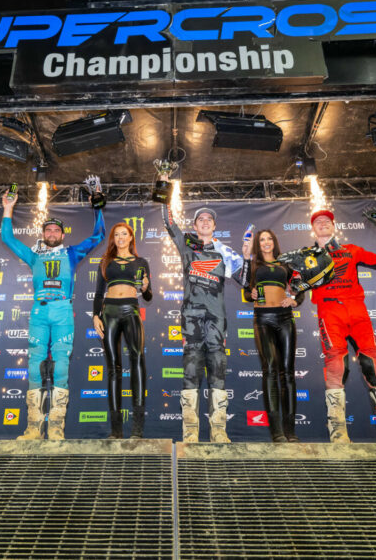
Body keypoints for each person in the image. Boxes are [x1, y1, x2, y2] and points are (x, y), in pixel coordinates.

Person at [1, 187, 105, 440]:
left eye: (56, 230)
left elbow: (98, 235)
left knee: (60, 367)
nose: (51, 233)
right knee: (35, 367)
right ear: (43, 234)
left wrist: (98, 206)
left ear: (62, 234)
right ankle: (33, 428)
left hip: (62, 311)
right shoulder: (33, 253)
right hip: (39, 312)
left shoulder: (72, 252)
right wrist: (7, 209)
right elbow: (8, 240)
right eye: (47, 230)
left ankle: (57, 427)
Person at [309, 209, 376, 445]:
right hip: (330, 312)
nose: (323, 224)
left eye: (327, 221)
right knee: (337, 366)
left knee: (373, 364)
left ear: (333, 227)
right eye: (318, 222)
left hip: (358, 311)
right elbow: (295, 286)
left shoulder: (351, 250)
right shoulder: (307, 255)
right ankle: (338, 433)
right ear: (313, 229)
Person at [159, 173, 247, 443]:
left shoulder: (225, 252)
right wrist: (166, 186)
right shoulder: (187, 245)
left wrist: (249, 255)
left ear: (214, 226)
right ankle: (190, 434)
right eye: (200, 219)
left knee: (218, 371)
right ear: (195, 225)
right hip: (191, 320)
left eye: (209, 219)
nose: (205, 222)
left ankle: (219, 431)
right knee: (191, 372)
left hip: (217, 321)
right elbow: (168, 220)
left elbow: (247, 283)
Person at [241, 230, 308, 443]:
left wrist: (295, 300)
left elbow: (301, 287)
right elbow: (245, 290)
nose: (266, 242)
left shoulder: (286, 264)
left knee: (287, 373)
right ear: (258, 245)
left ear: (274, 242)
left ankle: (291, 431)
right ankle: (277, 431)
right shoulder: (252, 265)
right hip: (263, 320)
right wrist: (250, 294)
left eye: (270, 238)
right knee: (269, 369)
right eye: (262, 239)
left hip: (285, 319)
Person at [92, 223, 153, 438]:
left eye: (124, 234)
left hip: (131, 312)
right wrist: (95, 316)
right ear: (113, 239)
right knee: (113, 369)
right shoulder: (105, 262)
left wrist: (145, 287)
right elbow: (98, 293)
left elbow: (148, 296)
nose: (120, 238)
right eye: (116, 234)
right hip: (109, 313)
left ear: (130, 237)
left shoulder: (141, 262)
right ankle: (116, 431)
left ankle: (137, 429)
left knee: (137, 360)